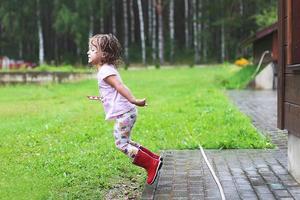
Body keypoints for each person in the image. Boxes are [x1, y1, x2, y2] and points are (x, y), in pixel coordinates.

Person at [87, 34, 163, 185]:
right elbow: (113, 91)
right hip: (126, 112)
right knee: (125, 141)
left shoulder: (105, 71)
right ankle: (154, 158)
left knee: (121, 144)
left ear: (104, 54)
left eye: (93, 49)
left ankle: (151, 164)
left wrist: (133, 100)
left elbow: (120, 87)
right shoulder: (106, 69)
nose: (88, 52)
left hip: (125, 113)